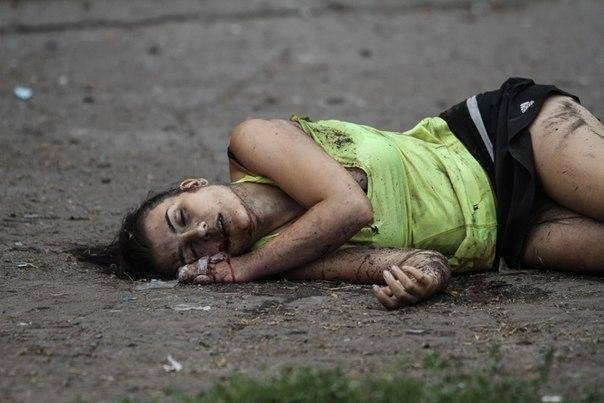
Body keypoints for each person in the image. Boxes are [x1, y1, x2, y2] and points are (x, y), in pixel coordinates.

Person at [79, 78, 604, 310]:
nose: (200, 231)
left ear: (192, 185)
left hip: (501, 138)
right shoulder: (288, 258)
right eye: (190, 253)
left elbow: (350, 208)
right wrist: (421, 280)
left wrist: (247, 270)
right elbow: (419, 261)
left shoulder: (252, 144)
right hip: (514, 236)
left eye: (181, 217)